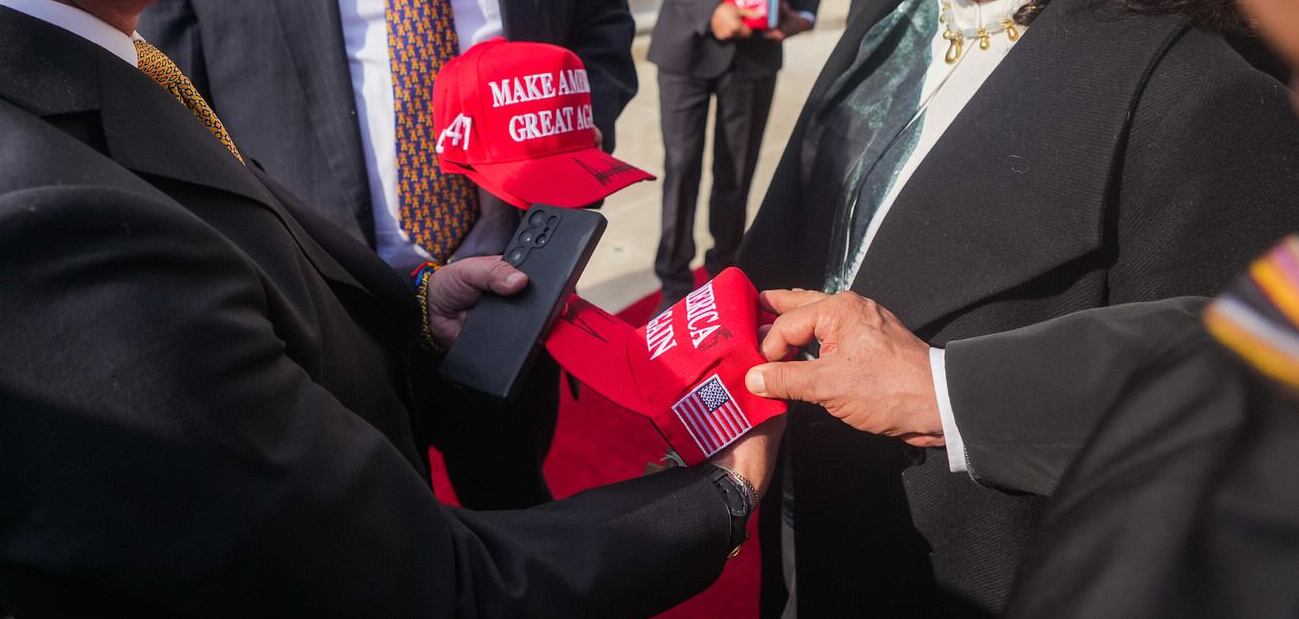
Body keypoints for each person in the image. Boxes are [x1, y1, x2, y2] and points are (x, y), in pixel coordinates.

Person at [0, 0, 784, 615]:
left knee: (509, 481)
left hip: (479, 301)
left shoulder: (106, 62)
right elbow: (415, 585)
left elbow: (598, 34)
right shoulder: (50, 217)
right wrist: (717, 494)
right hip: (331, 441)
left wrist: (410, 309)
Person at [734, 0, 1299, 612]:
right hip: (789, 516)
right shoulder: (895, 15)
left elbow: (1219, 438)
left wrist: (949, 393)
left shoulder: (1206, 97)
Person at [138, 0, 640, 509]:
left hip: (513, 285)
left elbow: (601, 22)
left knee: (515, 505)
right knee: (374, 542)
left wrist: (574, 126)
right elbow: (163, 106)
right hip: (326, 305)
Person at [647, 0, 819, 309]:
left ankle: (723, 275)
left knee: (737, 174)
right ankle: (674, 281)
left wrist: (805, 11)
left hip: (755, 52)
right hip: (686, 41)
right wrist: (708, 10)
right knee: (681, 168)